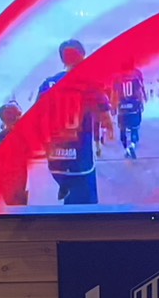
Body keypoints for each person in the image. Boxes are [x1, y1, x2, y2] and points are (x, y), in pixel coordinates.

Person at [33, 38, 108, 205]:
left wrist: (46, 144)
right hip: (81, 158)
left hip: (55, 158)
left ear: (62, 59)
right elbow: (103, 111)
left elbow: (36, 119)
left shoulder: (48, 84)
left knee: (70, 196)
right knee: (84, 207)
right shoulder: (89, 83)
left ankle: (64, 188)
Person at [112, 62, 147, 160]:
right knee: (134, 128)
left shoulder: (117, 78)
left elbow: (114, 93)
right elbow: (139, 92)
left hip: (122, 106)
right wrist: (141, 103)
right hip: (134, 105)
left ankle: (126, 148)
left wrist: (113, 106)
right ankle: (132, 145)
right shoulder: (135, 77)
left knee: (122, 129)